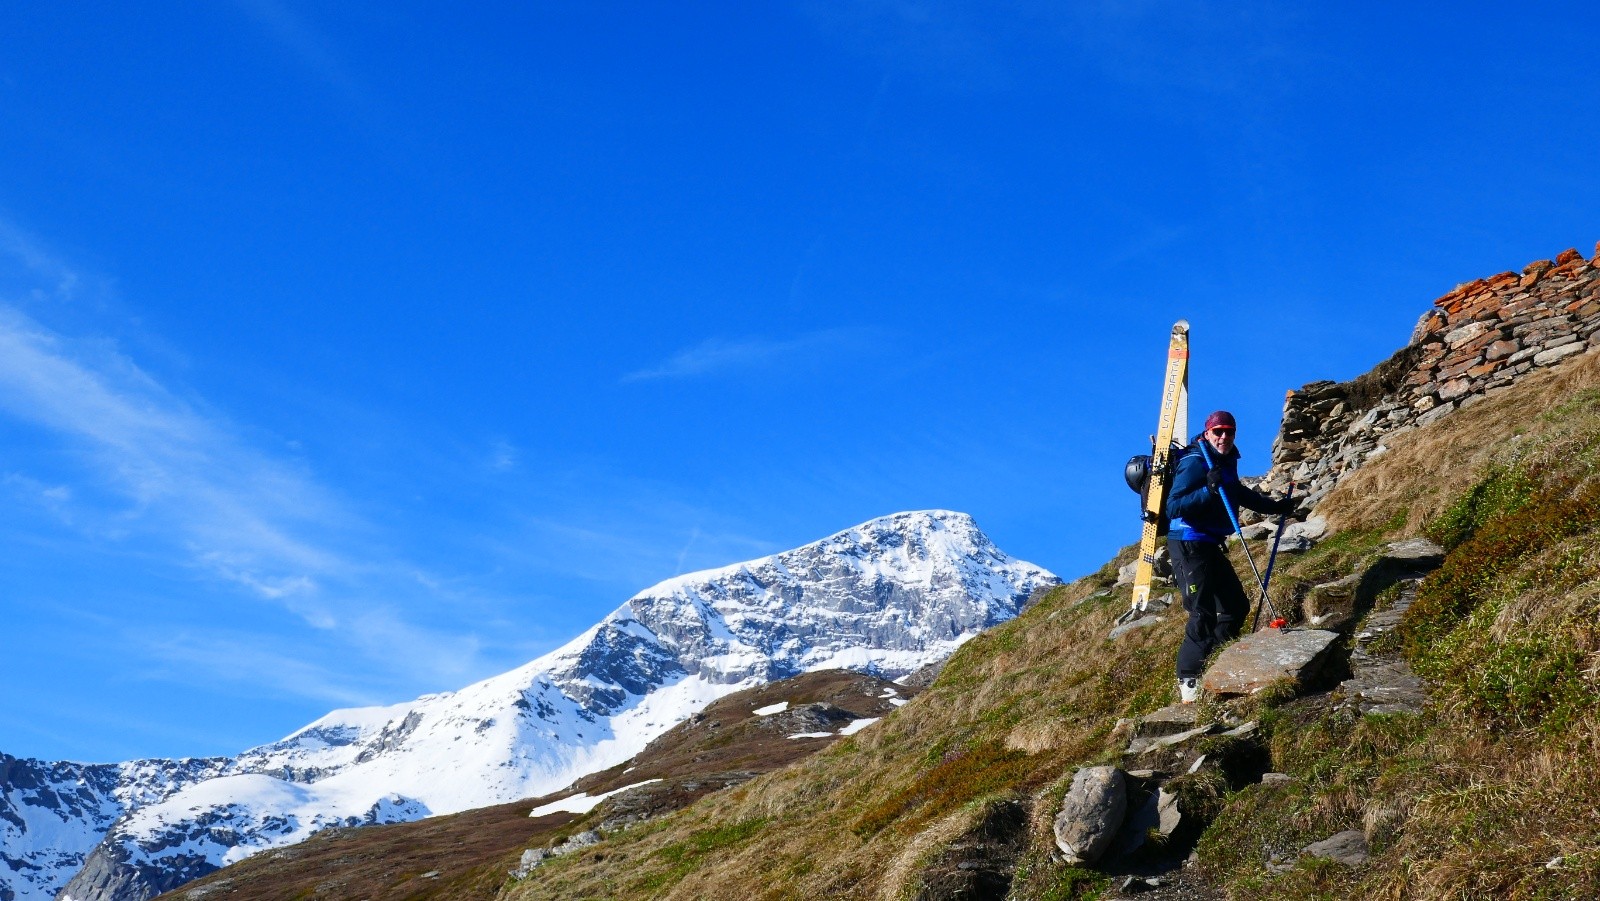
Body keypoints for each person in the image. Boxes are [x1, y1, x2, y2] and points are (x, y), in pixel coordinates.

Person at [1166, 410, 1297, 703]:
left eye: (1229, 432)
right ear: (1207, 433)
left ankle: (1213, 661)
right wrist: (1208, 490)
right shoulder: (1194, 461)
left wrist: (1275, 508)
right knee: (1201, 612)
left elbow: (1236, 492)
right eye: (1218, 432)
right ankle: (1188, 681)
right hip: (1188, 543)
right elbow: (1173, 508)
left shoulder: (1226, 461)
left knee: (1236, 607)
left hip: (1210, 544)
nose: (1224, 437)